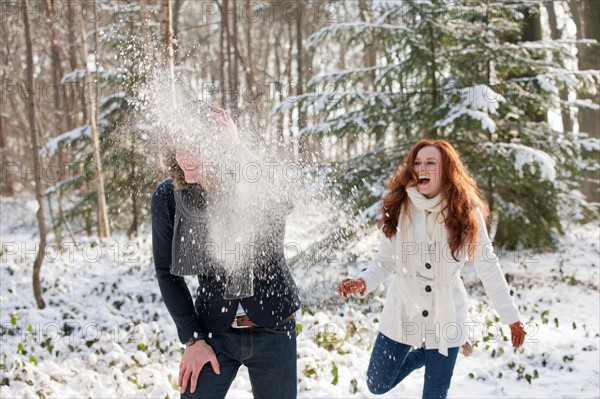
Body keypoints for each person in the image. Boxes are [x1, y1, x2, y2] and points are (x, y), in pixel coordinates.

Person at [337, 139, 526, 398]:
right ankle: (424, 355)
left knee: (435, 394)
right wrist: (364, 281)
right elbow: (385, 260)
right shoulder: (399, 205)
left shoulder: (465, 211)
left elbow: (488, 265)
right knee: (377, 383)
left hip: (446, 315)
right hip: (403, 309)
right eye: (416, 163)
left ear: (446, 170)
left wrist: (511, 317)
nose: (421, 168)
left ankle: (441, 350)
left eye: (430, 163)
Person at [151, 102, 300, 399]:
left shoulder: (248, 179)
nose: (187, 157)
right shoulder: (168, 197)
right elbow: (167, 273)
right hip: (214, 331)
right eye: (182, 146)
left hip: (274, 326)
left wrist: (238, 149)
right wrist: (192, 339)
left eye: (198, 145)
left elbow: (285, 199)